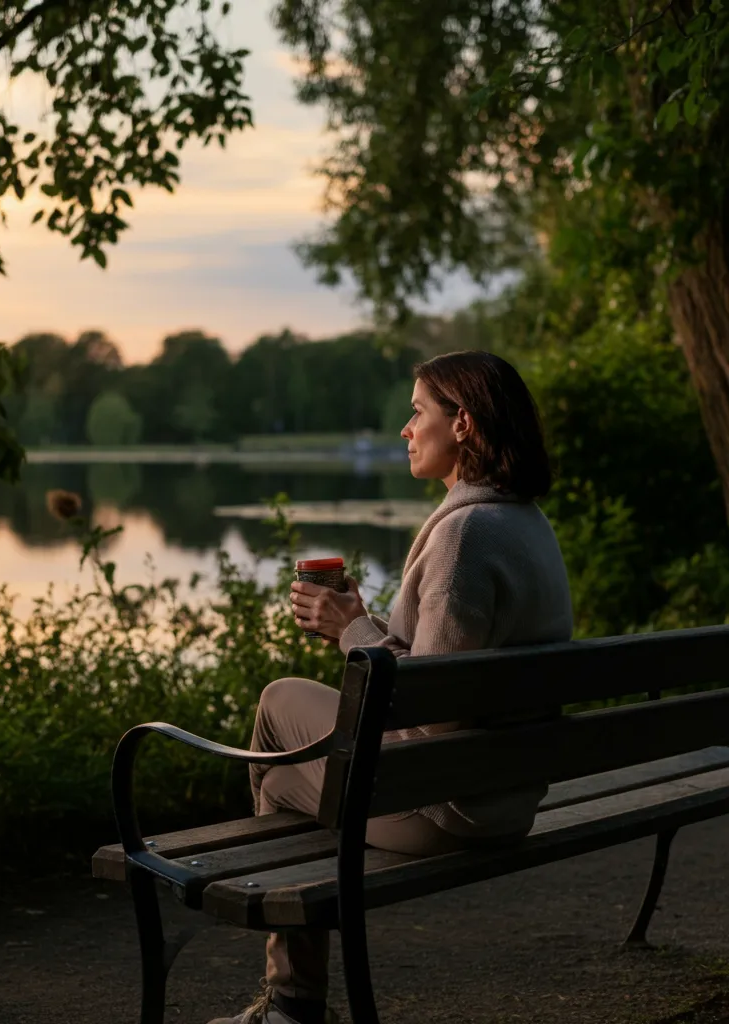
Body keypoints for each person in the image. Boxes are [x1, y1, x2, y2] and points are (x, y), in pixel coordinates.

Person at [208, 351, 574, 1024]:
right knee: (286, 709)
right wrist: (364, 622)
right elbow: (441, 672)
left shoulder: (464, 537)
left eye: (417, 412)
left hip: (451, 810)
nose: (406, 428)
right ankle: (293, 997)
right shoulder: (524, 522)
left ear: (462, 423)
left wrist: (352, 632)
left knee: (281, 762)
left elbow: (430, 713)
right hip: (507, 791)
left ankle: (293, 1002)